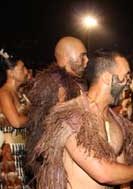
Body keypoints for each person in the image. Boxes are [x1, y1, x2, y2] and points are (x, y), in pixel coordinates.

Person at [28, 50, 133, 188]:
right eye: (125, 77)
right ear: (107, 78)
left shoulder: (115, 120)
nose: (129, 83)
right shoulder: (73, 117)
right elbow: (103, 173)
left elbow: (120, 168)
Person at [25, 36, 89, 175]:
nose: (87, 60)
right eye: (82, 56)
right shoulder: (53, 83)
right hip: (57, 161)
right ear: (66, 57)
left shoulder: (77, 82)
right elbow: (45, 127)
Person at [0, 49, 30, 188]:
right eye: (22, 68)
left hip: (21, 149)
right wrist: (36, 117)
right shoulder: (4, 93)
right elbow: (16, 122)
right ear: (11, 72)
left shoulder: (19, 92)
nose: (26, 71)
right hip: (10, 152)